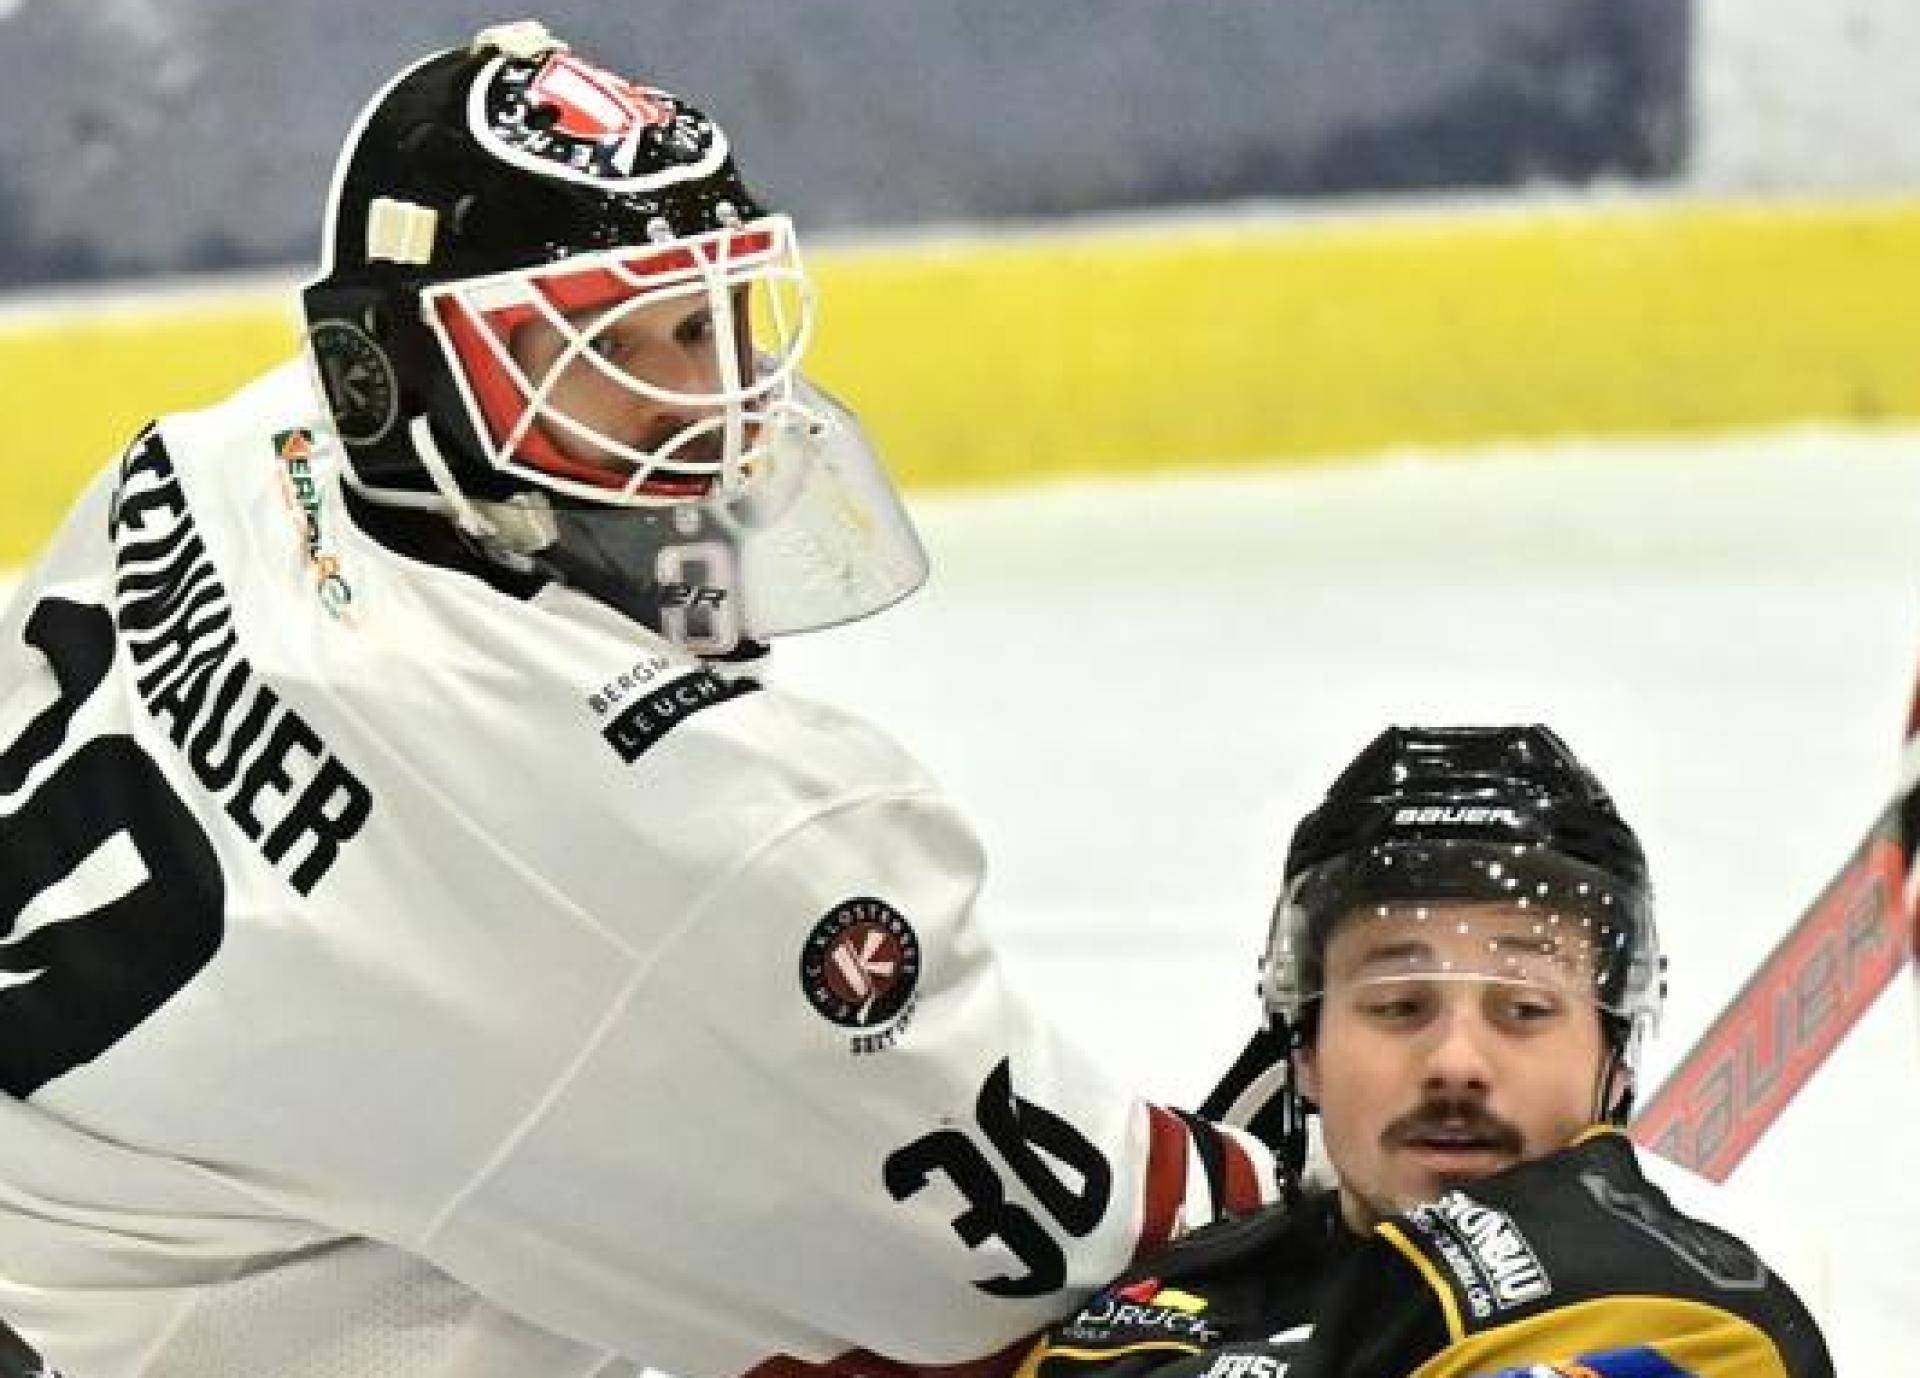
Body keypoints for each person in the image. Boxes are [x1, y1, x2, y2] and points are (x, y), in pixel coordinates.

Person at [0, 20, 1281, 1378]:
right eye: (630, 341)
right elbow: (1075, 1269)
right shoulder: (684, 828)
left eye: (720, 316)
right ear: (401, 377)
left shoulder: (224, 454)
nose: (721, 399)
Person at [1019, 725, 1836, 1378]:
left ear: (1614, 1061)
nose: (1456, 1061)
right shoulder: (1132, 1320)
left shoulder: (1697, 1326)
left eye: (1523, 1008)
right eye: (1397, 1006)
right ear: (1303, 1049)